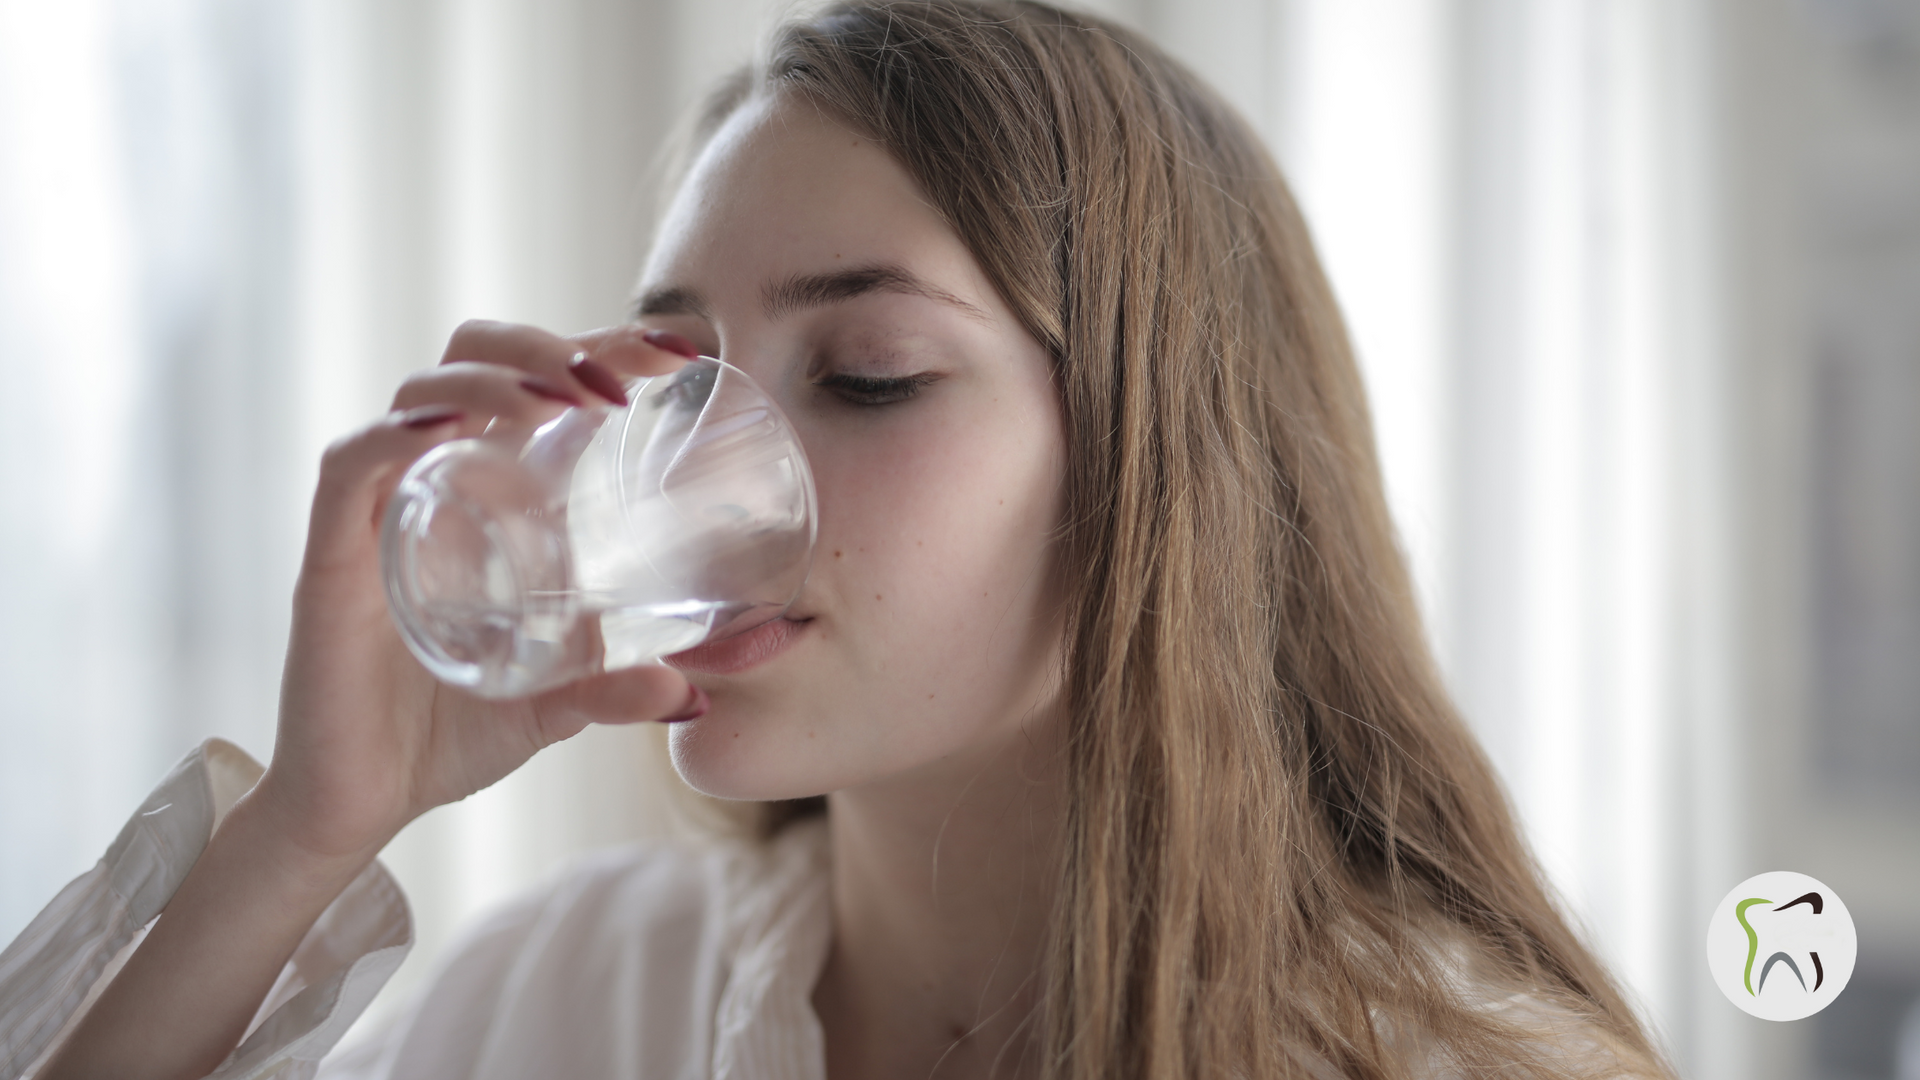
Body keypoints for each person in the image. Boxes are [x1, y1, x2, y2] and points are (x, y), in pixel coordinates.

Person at [1, 2, 1674, 1077]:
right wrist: (304, 830)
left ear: (1165, 468)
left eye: (866, 376)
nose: (703, 485)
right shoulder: (582, 996)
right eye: (676, 382)